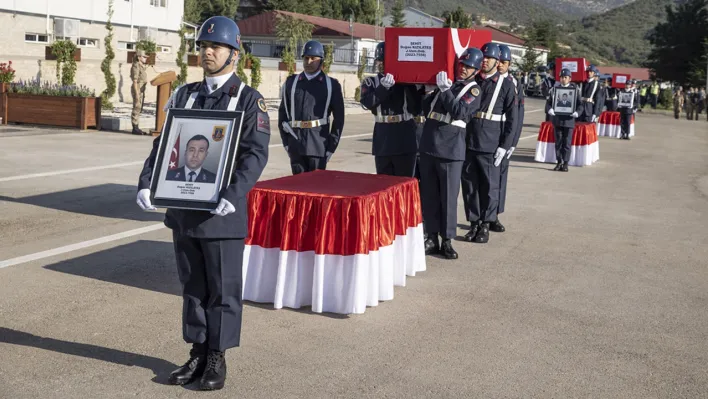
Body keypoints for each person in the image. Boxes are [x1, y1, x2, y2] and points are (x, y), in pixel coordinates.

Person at [135, 16, 270, 391]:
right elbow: (164, 147)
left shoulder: (248, 99)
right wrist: (148, 183)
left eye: (217, 47)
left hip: (222, 214)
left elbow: (255, 155)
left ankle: (217, 358)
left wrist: (233, 193)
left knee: (223, 289)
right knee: (193, 285)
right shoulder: (184, 94)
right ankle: (197, 351)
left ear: (233, 53)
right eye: (203, 46)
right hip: (184, 211)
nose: (207, 52)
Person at [419, 47, 483, 259]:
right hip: (430, 143)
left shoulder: (474, 91)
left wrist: (444, 91)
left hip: (450, 148)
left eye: (468, 67)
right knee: (429, 195)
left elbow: (460, 112)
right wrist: (429, 92)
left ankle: (447, 240)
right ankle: (431, 236)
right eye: (461, 65)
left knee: (447, 196)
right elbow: (425, 109)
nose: (463, 69)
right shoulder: (446, 83)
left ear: (476, 70)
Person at [461, 43, 517, 244]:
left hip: (491, 142)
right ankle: (474, 222)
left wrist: (505, 145)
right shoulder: (471, 81)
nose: (485, 61)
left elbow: (512, 119)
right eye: (483, 57)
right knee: (470, 186)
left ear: (497, 61)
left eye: (489, 58)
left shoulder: (506, 85)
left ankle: (485, 223)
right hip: (468, 140)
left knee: (489, 186)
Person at [278, 40, 345, 175]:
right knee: (298, 189)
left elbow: (339, 119)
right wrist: (286, 142)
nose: (308, 62)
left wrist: (331, 147)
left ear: (321, 61)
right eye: (306, 58)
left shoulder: (331, 85)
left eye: (313, 58)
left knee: (315, 190)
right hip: (296, 144)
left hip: (318, 145)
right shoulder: (292, 83)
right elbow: (283, 114)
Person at [359, 42, 422, 177]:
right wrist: (383, 88)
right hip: (383, 136)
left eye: (384, 60)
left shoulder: (405, 82)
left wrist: (409, 84)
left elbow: (416, 108)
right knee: (384, 184)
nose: (380, 64)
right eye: (379, 60)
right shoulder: (371, 82)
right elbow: (367, 103)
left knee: (404, 184)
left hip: (404, 134)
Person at [494, 44, 524, 234]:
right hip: (489, 130)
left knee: (501, 176)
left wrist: (513, 141)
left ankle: (495, 214)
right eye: (499, 62)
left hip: (506, 129)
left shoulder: (514, 83)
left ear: (509, 64)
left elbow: (518, 115)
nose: (500, 66)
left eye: (504, 62)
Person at [546, 68, 582, 171]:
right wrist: (550, 110)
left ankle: (565, 163)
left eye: (565, 77)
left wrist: (577, 112)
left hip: (569, 120)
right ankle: (558, 162)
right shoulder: (554, 90)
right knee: (558, 142)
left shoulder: (575, 90)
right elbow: (548, 103)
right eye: (561, 77)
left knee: (566, 143)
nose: (563, 79)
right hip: (557, 120)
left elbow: (580, 105)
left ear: (570, 78)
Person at [131, 49, 149, 135]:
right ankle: (135, 128)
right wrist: (137, 93)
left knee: (139, 108)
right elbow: (135, 81)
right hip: (137, 88)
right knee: (136, 107)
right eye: (144, 57)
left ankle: (137, 127)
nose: (146, 58)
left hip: (141, 89)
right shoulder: (136, 66)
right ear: (139, 57)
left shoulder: (141, 65)